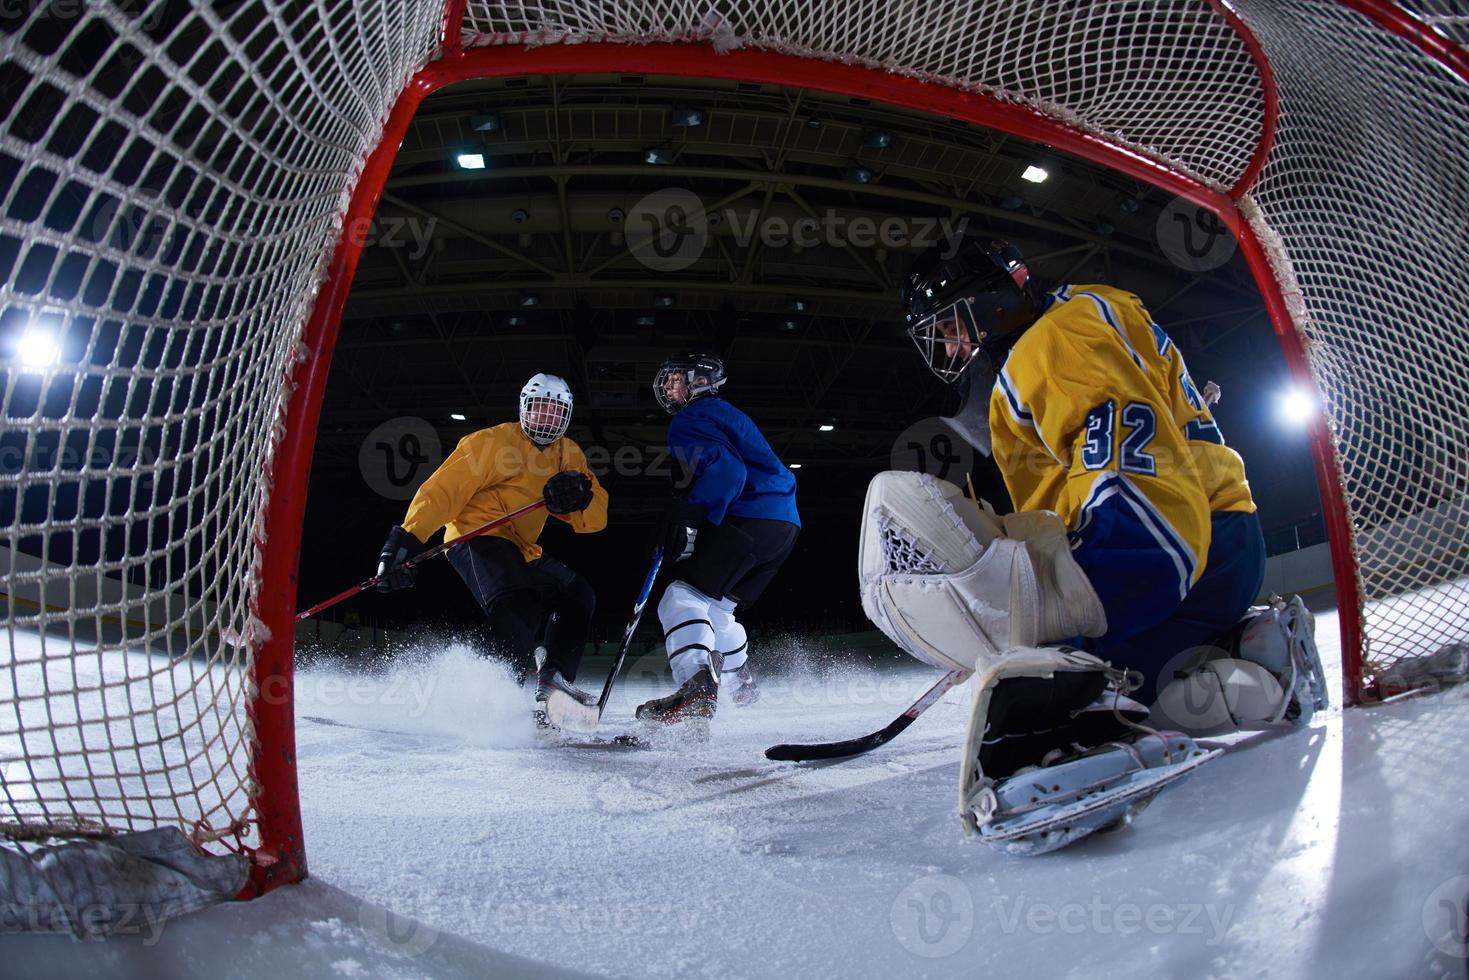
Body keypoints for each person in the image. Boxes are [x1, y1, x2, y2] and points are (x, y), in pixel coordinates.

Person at [857, 237, 1324, 852]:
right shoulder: (1084, 313)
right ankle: (1253, 657)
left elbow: (1140, 483)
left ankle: (1072, 729)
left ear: (991, 302)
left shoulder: (1052, 345)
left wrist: (1072, 626)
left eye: (950, 325)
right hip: (1223, 544)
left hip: (1172, 547)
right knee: (1166, 697)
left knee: (1059, 664)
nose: (949, 347)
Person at [375, 373, 609, 730]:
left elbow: (593, 521)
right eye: (539, 409)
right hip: (474, 534)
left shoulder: (569, 454)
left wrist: (584, 496)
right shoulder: (489, 443)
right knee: (518, 604)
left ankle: (555, 679)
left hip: (522, 547)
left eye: (555, 412)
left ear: (566, 417)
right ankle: (494, 700)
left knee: (577, 593)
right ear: (523, 409)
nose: (546, 418)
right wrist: (409, 537)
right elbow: (442, 492)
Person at [634, 352, 800, 727]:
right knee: (718, 610)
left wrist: (692, 514)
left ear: (699, 381)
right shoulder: (725, 414)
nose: (667, 387)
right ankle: (741, 684)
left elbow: (728, 472)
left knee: (680, 597)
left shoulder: (689, 418)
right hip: (784, 526)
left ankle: (695, 686)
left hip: (752, 518)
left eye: (676, 379)